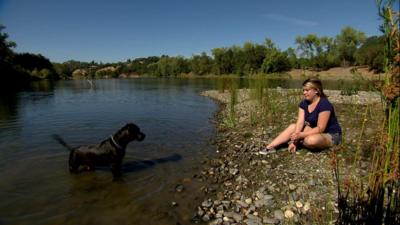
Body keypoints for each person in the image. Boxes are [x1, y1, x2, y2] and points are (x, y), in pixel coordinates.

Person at [260, 78, 342, 154]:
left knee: (310, 140)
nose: (304, 93)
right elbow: (300, 122)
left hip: (330, 134)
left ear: (316, 90)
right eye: (303, 90)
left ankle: (306, 142)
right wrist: (294, 141)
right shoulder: (304, 103)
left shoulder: (324, 104)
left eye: (307, 90)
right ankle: (270, 147)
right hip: (313, 131)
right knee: (293, 127)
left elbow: (321, 128)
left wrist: (300, 135)